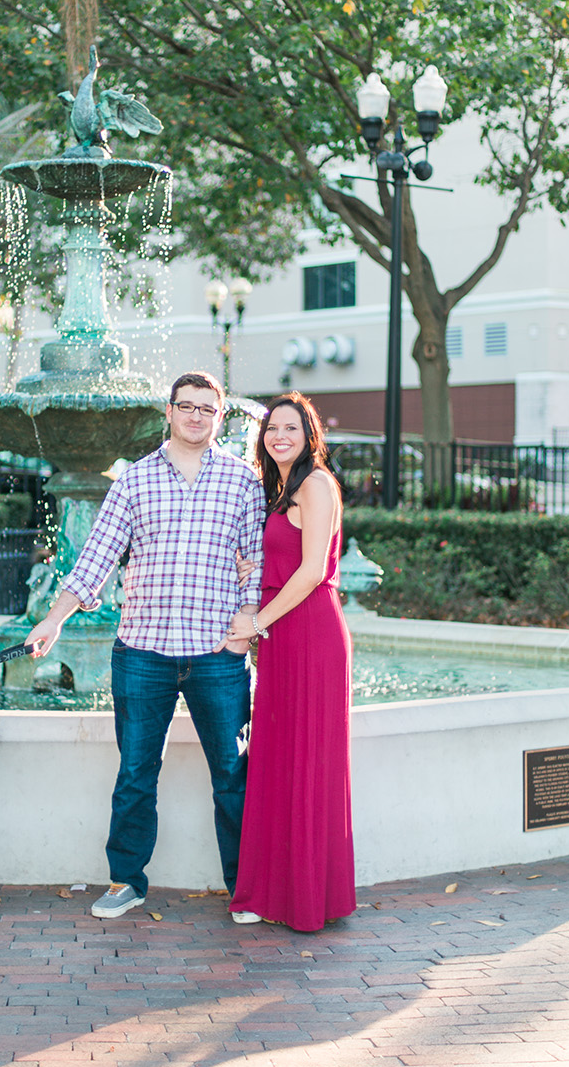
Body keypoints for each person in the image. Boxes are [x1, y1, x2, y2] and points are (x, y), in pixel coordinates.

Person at [26, 371, 265, 921]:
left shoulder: (243, 482)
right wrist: (55, 619)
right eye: (188, 406)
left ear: (220, 416)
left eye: (208, 409)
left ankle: (244, 888)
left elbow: (256, 564)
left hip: (217, 656)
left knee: (232, 774)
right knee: (136, 773)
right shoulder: (133, 481)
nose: (197, 416)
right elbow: (96, 560)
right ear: (170, 411)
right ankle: (125, 881)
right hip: (142, 654)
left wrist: (246, 622)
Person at [221, 391, 356, 932]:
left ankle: (306, 898)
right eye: (272, 428)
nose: (279, 436)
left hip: (310, 634)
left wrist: (255, 622)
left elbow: (312, 571)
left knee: (306, 763)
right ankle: (270, 892)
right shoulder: (282, 491)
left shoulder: (317, 483)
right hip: (282, 634)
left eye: (291, 428)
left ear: (309, 435)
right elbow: (283, 562)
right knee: (276, 761)